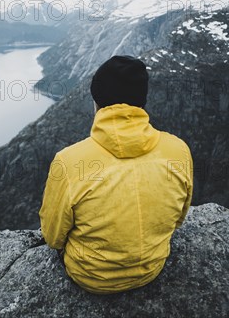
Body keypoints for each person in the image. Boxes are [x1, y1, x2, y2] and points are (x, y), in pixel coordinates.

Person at [39, 55, 193, 294]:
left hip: (91, 278)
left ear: (96, 102)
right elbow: (179, 219)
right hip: (153, 268)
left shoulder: (69, 161)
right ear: (141, 102)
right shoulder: (178, 150)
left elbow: (52, 237)